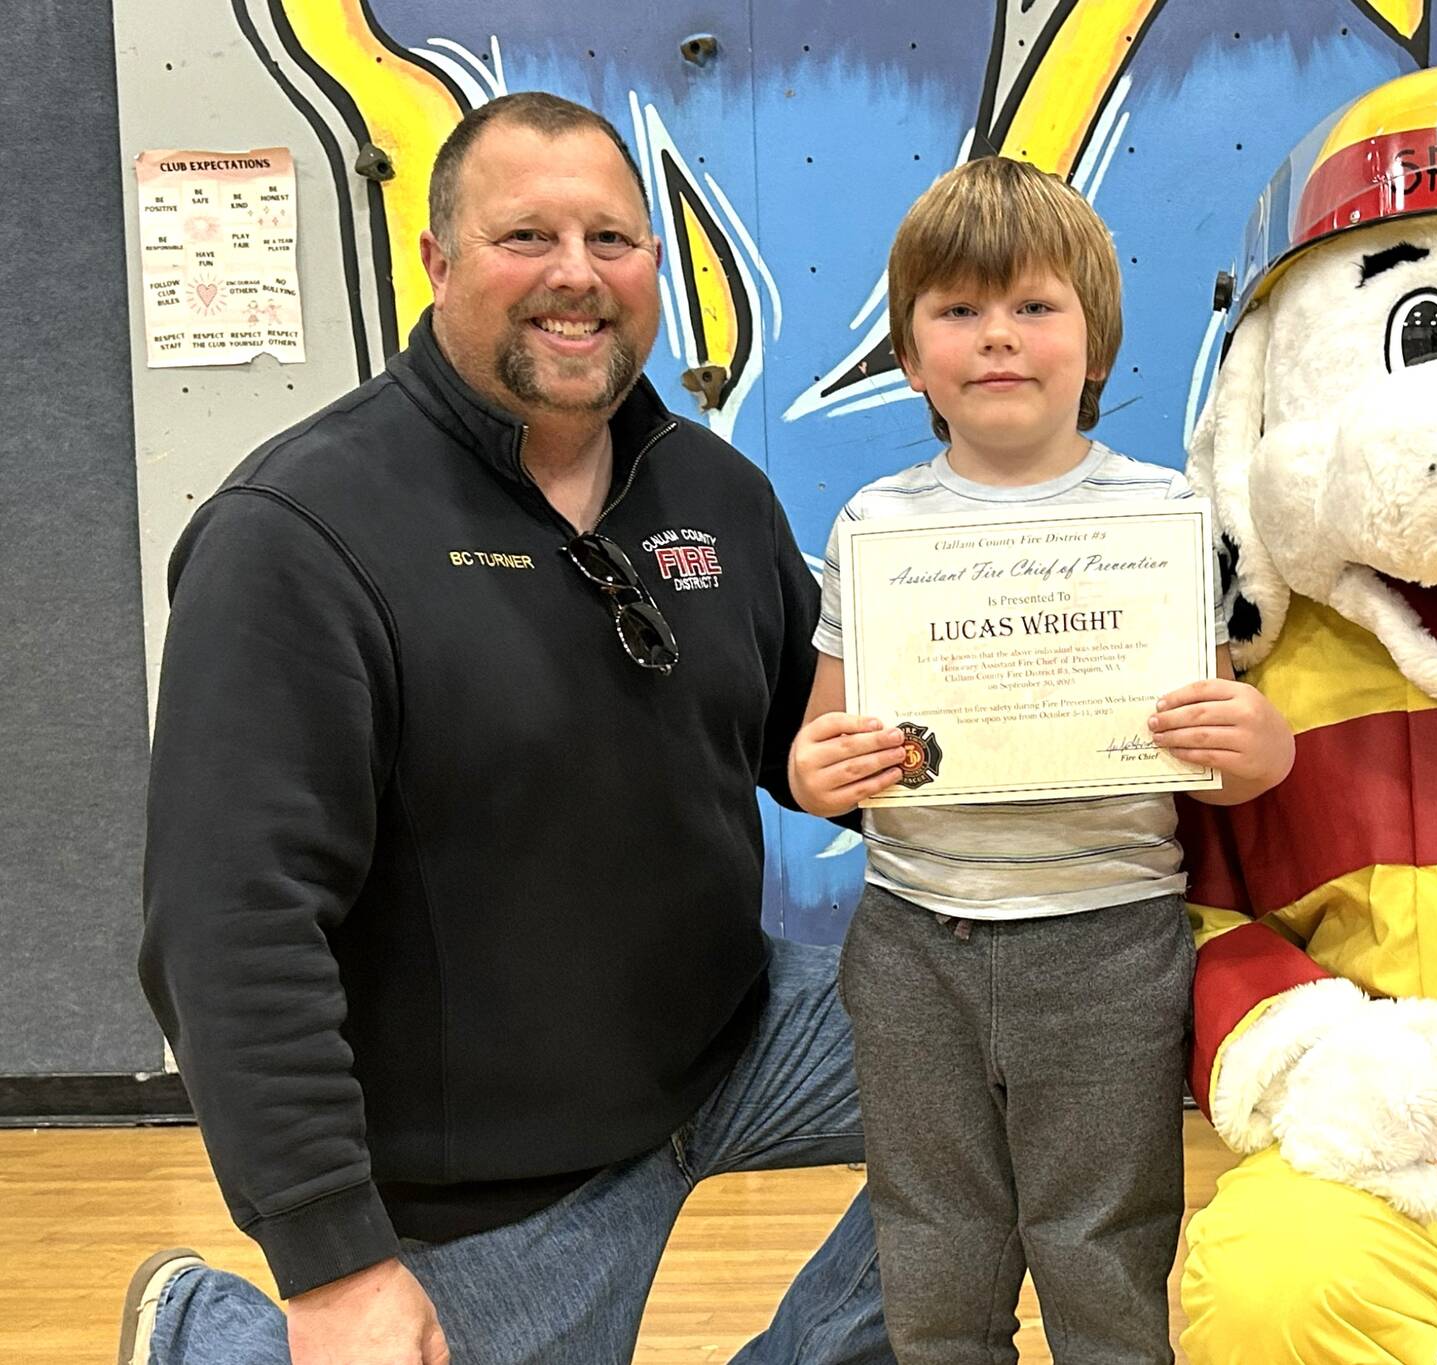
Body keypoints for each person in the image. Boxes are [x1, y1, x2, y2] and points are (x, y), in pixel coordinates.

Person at [122, 92, 892, 1365]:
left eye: (611, 239)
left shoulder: (713, 492)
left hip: (736, 1033)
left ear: (652, 265)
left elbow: (810, 748)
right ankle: (216, 1336)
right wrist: (332, 1262)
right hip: (500, 1163)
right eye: (526, 236)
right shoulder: (296, 535)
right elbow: (230, 921)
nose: (576, 276)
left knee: (1039, 1064)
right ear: (437, 262)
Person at [785, 156, 1296, 1364]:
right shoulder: (873, 525)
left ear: (1095, 340)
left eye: (1033, 305)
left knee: (1102, 1243)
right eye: (958, 310)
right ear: (909, 358)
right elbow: (819, 742)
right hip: (914, 941)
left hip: (1109, 937)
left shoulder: (1167, 519)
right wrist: (818, 772)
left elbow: (1226, 748)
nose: (997, 337)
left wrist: (1259, 747)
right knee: (931, 1243)